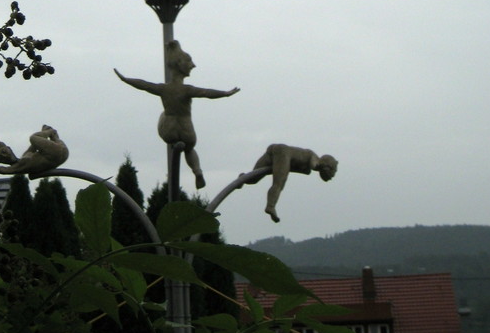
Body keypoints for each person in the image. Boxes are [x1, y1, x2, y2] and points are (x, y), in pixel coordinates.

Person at [114, 40, 240, 189]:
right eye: (190, 62)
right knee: (189, 149)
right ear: (181, 65)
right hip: (187, 130)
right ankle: (197, 171)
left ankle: (174, 145)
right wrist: (225, 93)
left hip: (169, 130)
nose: (193, 66)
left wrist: (125, 79)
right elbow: (207, 93)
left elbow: (144, 85)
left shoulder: (163, 89)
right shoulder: (187, 90)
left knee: (163, 115)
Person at [246, 144, 338, 223]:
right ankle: (270, 206)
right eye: (332, 172)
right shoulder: (314, 157)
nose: (331, 177)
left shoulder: (308, 159)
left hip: (275, 149)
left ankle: (241, 179)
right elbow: (313, 164)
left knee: (252, 179)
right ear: (327, 166)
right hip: (283, 153)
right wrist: (317, 166)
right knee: (279, 184)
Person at [0, 125, 68, 177]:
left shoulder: (26, 156)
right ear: (2, 162)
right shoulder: (19, 166)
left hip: (60, 150)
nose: (5, 155)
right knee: (33, 138)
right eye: (1, 157)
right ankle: (50, 132)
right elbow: (6, 170)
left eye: (4, 151)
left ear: (9, 148)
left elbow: (35, 144)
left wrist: (42, 133)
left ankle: (52, 134)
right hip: (58, 155)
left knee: (34, 139)